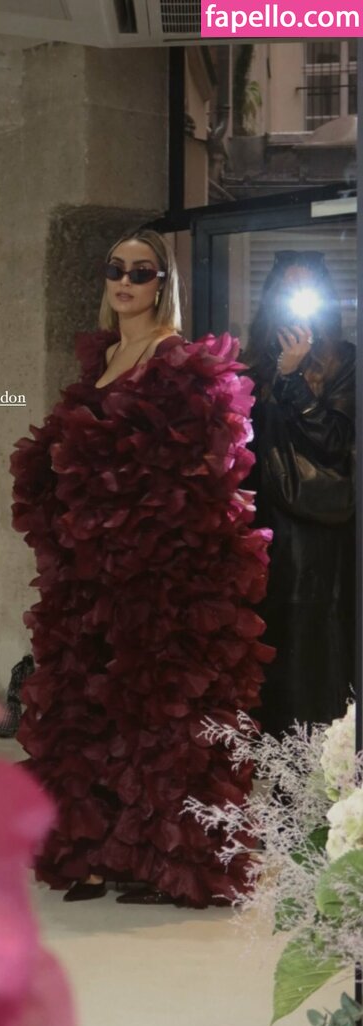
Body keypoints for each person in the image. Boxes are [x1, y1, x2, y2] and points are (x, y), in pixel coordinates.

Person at [9, 228, 272, 907]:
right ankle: (99, 853)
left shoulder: (172, 356)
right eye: (115, 268)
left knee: (155, 710)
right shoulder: (105, 354)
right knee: (90, 705)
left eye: (141, 271)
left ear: (163, 283)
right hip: (91, 570)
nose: (125, 281)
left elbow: (201, 464)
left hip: (156, 571)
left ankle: (166, 862)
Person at [242, 250, 356, 738]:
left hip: (313, 527)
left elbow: (336, 440)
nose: (294, 300)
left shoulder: (343, 359)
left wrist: (293, 379)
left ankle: (312, 757)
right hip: (256, 519)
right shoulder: (252, 360)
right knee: (262, 638)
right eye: (286, 289)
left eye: (305, 289)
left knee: (310, 643)